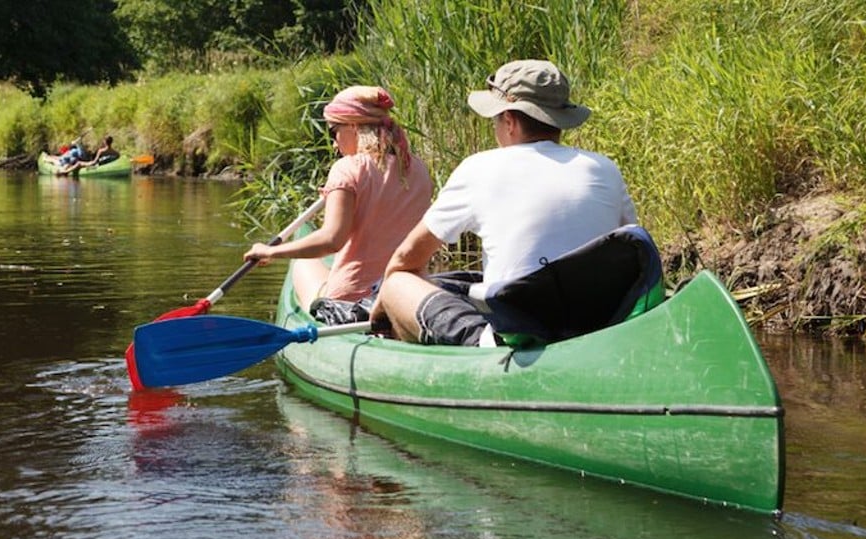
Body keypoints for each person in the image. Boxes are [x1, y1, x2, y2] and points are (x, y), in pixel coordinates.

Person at [370, 60, 639, 346]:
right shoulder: (604, 168)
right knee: (461, 283)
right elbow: (631, 245)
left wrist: (383, 304)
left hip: (517, 337)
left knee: (398, 281)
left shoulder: (479, 168)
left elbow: (406, 259)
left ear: (509, 120)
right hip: (596, 326)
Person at [243, 86, 432, 324]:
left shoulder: (347, 168)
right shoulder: (419, 170)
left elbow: (331, 240)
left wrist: (270, 251)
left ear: (353, 126)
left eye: (334, 131)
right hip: (407, 297)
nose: (333, 144)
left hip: (351, 302)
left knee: (303, 262)